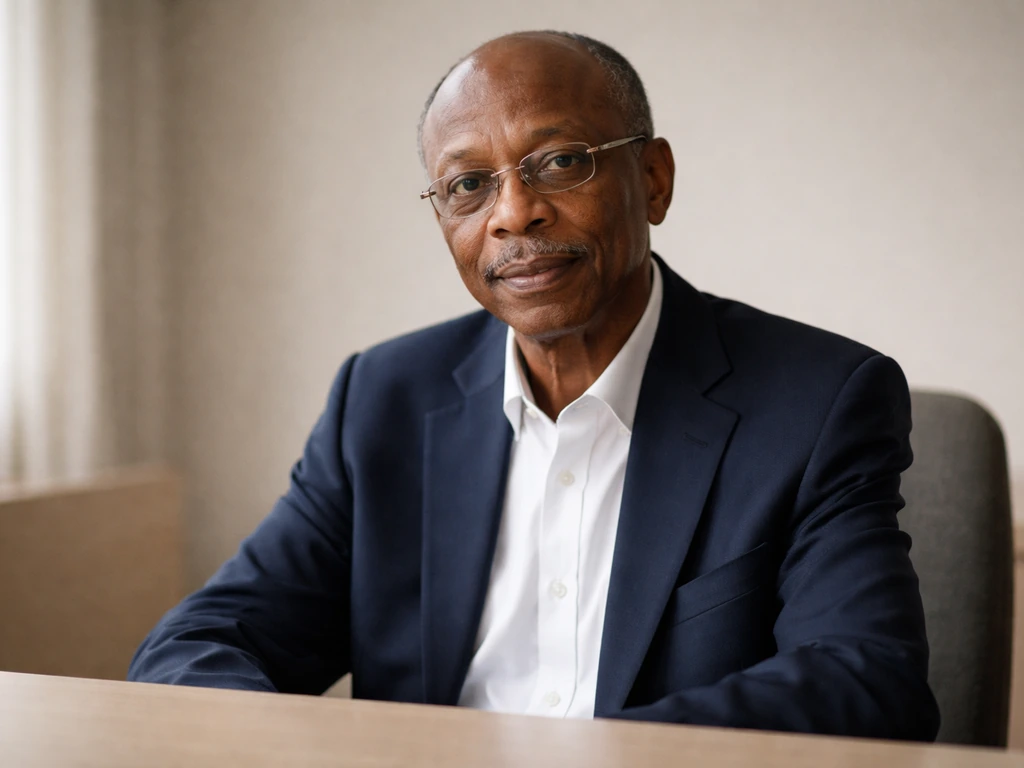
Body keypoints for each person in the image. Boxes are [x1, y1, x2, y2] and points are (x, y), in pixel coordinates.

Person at [129, 30, 940, 741]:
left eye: (560, 162)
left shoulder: (818, 402)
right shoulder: (383, 399)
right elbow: (198, 644)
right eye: (468, 185)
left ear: (653, 180)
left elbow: (867, 682)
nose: (514, 214)